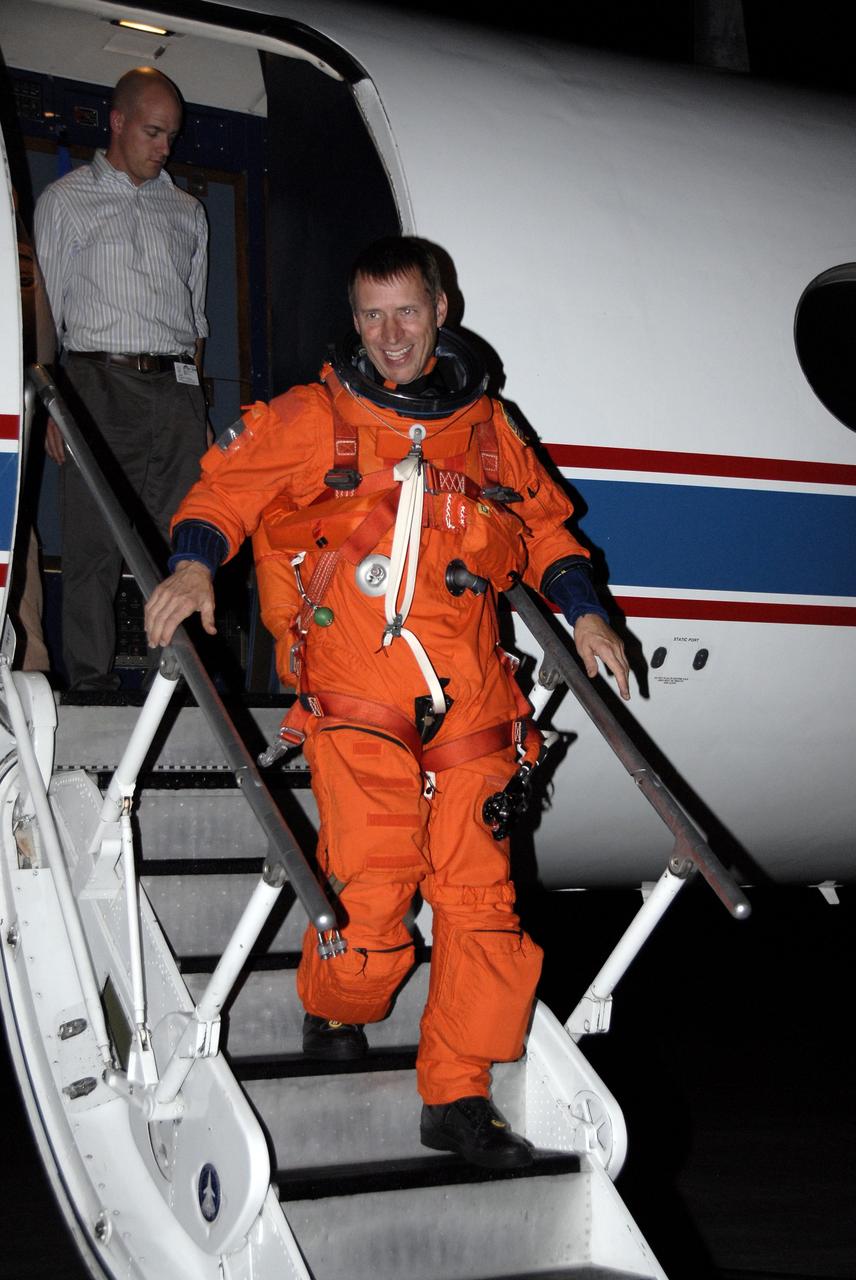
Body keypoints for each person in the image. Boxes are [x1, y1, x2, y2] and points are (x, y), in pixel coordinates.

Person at [145, 237, 630, 1169]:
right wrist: (196, 562)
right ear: (354, 319)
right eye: (371, 315)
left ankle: (458, 1095)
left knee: (481, 897)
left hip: (472, 683)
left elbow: (543, 530)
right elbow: (225, 495)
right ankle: (339, 1003)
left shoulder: (490, 429)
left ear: (442, 307)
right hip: (356, 672)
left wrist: (588, 616)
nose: (390, 335)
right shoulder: (311, 417)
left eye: (406, 311)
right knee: (373, 880)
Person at [34, 66, 209, 691]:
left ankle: (187, 684)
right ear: (117, 123)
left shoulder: (189, 212)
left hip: (178, 389)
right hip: (96, 384)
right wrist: (52, 403)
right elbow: (46, 310)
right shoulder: (64, 202)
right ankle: (90, 686)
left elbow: (196, 318)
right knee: (93, 547)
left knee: (189, 540)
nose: (166, 148)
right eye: (155, 133)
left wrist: (196, 400)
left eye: (173, 136)